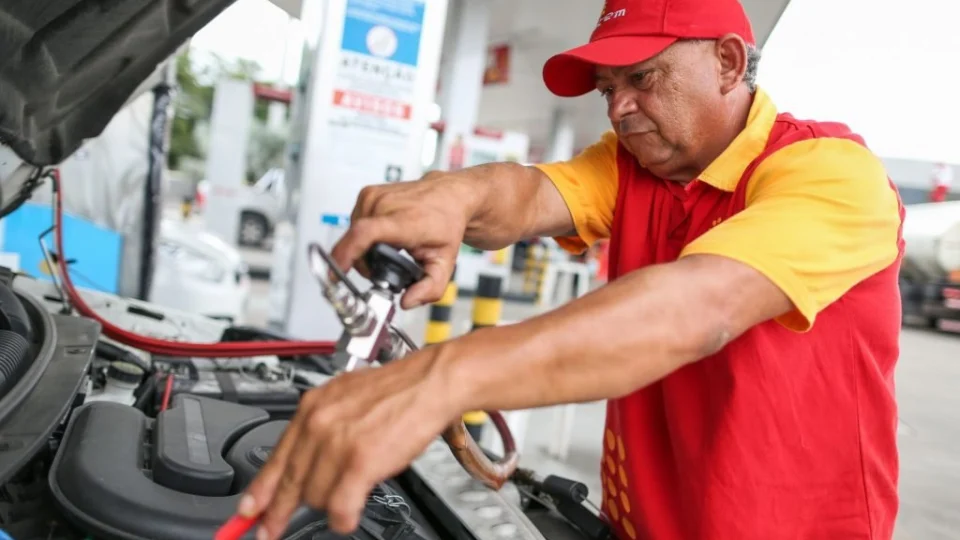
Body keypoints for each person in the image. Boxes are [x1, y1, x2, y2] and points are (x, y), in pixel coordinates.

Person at [239, 0, 904, 538]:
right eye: (608, 89)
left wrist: (444, 377)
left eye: (641, 78)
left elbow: (698, 309)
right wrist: (455, 194)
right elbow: (530, 194)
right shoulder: (633, 164)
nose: (617, 108)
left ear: (728, 63)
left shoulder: (832, 173)